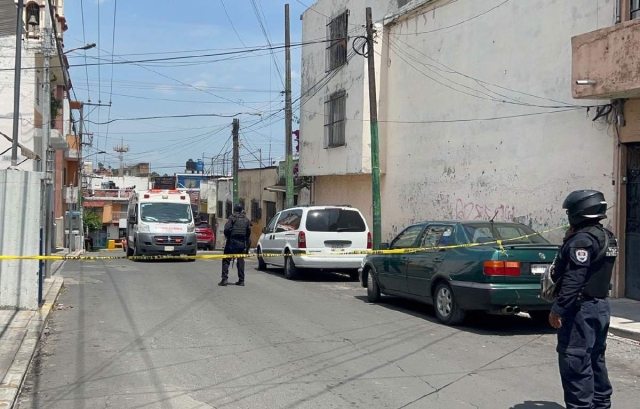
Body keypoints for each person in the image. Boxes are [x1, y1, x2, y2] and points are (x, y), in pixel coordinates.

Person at [549, 190, 618, 409]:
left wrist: (558, 309)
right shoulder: (607, 236)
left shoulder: (582, 241)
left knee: (575, 362)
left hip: (581, 310)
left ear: (579, 212)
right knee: (595, 359)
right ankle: (601, 404)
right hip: (600, 308)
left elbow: (574, 278)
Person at [219, 203, 252, 286]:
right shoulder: (246, 219)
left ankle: (224, 279)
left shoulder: (232, 217)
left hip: (232, 242)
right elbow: (248, 232)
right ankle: (241, 280)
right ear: (241, 210)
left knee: (226, 260)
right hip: (241, 243)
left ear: (234, 209)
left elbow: (226, 229)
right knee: (240, 261)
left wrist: (228, 236)